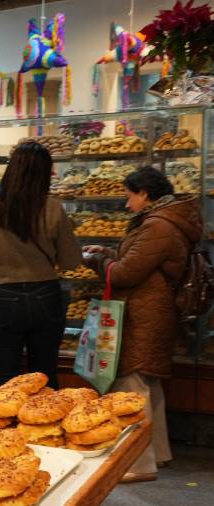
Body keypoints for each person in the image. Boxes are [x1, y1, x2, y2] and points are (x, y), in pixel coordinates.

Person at [83, 167, 202, 482]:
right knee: (148, 384)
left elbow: (126, 273)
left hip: (144, 313)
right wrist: (107, 251)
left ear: (144, 193)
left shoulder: (158, 225)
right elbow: (141, 261)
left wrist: (98, 261)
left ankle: (137, 463)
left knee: (131, 386)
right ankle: (157, 452)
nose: (127, 204)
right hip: (154, 310)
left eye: (129, 196)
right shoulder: (165, 220)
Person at [0, 142, 81, 389]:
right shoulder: (53, 208)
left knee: (5, 378)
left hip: (2, 298)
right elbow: (71, 260)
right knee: (45, 375)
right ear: (44, 173)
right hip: (46, 297)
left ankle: (7, 413)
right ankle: (47, 413)